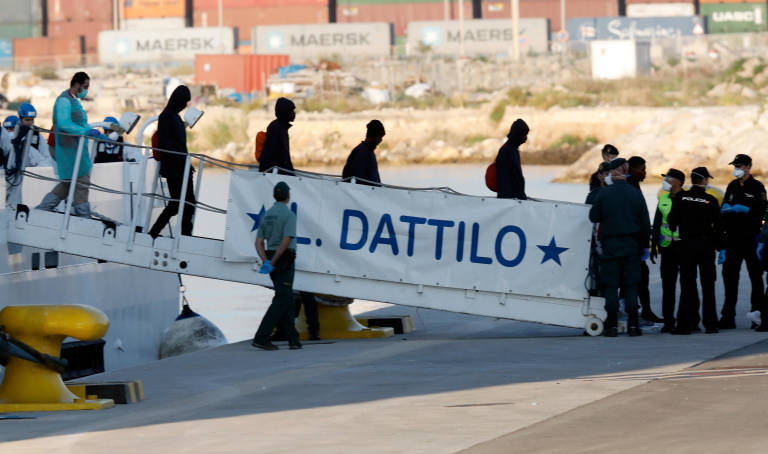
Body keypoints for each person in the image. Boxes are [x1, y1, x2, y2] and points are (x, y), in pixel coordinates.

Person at [589, 158, 650, 337]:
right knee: (631, 285)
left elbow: (593, 217)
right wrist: (645, 246)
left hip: (611, 245)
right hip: (632, 245)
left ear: (613, 172)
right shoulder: (635, 193)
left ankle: (612, 325)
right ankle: (633, 325)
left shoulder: (604, 194)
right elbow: (645, 223)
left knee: (611, 285)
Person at [37, 72, 107, 218]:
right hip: (64, 148)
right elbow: (64, 124)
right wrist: (85, 131)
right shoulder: (64, 101)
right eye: (85, 86)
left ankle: (41, 211)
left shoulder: (74, 100)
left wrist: (98, 133)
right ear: (77, 84)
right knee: (82, 179)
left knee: (69, 182)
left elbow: (78, 122)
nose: (87, 90)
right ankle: (83, 217)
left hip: (71, 147)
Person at [668, 167, 722, 335]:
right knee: (708, 286)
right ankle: (711, 324)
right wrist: (719, 245)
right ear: (704, 181)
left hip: (686, 246)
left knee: (687, 285)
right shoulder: (710, 200)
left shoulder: (681, 198)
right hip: (705, 246)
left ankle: (685, 325)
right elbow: (719, 226)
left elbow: (671, 221)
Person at [719, 154, 767, 329]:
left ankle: (758, 314)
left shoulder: (757, 187)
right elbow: (725, 206)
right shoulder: (732, 186)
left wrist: (747, 210)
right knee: (730, 278)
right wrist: (725, 211)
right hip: (732, 239)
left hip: (751, 239)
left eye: (739, 166)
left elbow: (763, 212)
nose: (736, 169)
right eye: (735, 166)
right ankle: (727, 316)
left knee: (756, 278)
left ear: (748, 167)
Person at [252, 182, 301, 351]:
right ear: (288, 196)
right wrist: (273, 262)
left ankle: (294, 340)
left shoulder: (266, 215)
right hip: (284, 259)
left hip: (271, 256)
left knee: (285, 297)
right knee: (282, 299)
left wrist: (266, 260)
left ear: (275, 196)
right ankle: (261, 337)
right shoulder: (289, 216)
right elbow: (287, 240)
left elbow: (258, 242)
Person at [148, 85, 196, 239]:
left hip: (182, 167)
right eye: (184, 101)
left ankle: (184, 235)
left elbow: (180, 145)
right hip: (174, 169)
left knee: (188, 204)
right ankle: (155, 233)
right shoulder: (167, 116)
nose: (185, 105)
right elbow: (166, 144)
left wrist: (187, 163)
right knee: (178, 204)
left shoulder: (175, 116)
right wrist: (182, 159)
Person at [626, 156, 663, 323]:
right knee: (636, 278)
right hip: (631, 243)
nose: (645, 173)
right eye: (641, 169)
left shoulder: (634, 185)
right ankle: (637, 313)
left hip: (636, 241)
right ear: (631, 169)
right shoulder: (629, 186)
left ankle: (644, 311)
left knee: (641, 276)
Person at [650, 168, 684, 332]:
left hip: (683, 249)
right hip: (667, 249)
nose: (666, 181)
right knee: (668, 287)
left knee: (687, 286)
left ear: (678, 182)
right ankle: (669, 321)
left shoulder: (686, 199)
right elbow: (657, 224)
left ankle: (688, 320)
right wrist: (653, 245)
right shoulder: (663, 199)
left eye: (669, 178)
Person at [258, 97, 295, 175]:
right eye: (291, 111)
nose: (294, 113)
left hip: (275, 171)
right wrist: (290, 173)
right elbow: (279, 156)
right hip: (272, 173)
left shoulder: (280, 127)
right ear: (285, 112)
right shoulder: (277, 128)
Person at [342, 120, 385, 185]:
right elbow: (359, 181)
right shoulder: (361, 152)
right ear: (373, 136)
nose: (380, 140)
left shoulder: (369, 151)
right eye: (379, 137)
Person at [496, 118, 529, 200]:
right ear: (517, 135)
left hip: (516, 199)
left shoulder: (513, 149)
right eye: (523, 135)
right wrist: (510, 201)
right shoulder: (506, 151)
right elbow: (504, 180)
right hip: (510, 201)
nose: (525, 139)